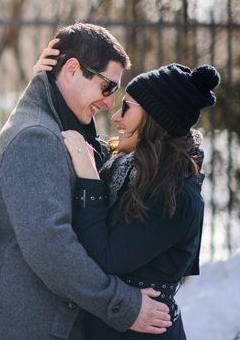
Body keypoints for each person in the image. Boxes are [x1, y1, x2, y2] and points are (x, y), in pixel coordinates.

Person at [0, 22, 172, 340]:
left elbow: (110, 164)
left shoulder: (58, 127)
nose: (110, 103)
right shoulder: (35, 138)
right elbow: (53, 250)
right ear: (72, 69)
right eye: (108, 87)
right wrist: (123, 305)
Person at [57, 63, 220, 339]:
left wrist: (88, 179)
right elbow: (73, 119)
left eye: (127, 108)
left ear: (155, 119)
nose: (117, 117)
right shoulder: (124, 168)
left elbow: (106, 258)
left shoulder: (177, 196)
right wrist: (47, 74)